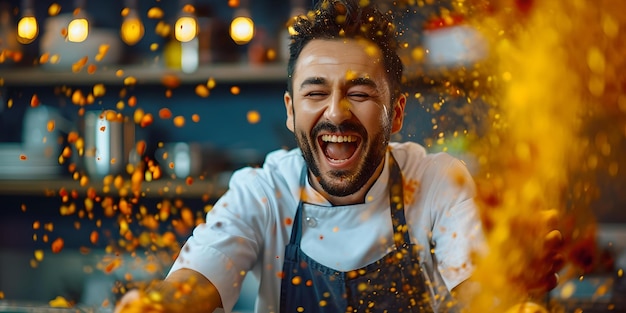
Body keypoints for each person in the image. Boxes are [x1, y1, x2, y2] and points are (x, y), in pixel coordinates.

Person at [115, 0, 562, 312]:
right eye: (315, 92)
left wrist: (512, 283)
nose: (336, 112)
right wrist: (155, 307)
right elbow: (194, 285)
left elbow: (476, 291)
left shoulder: (438, 181)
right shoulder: (262, 192)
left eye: (360, 92)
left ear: (397, 113)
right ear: (291, 112)